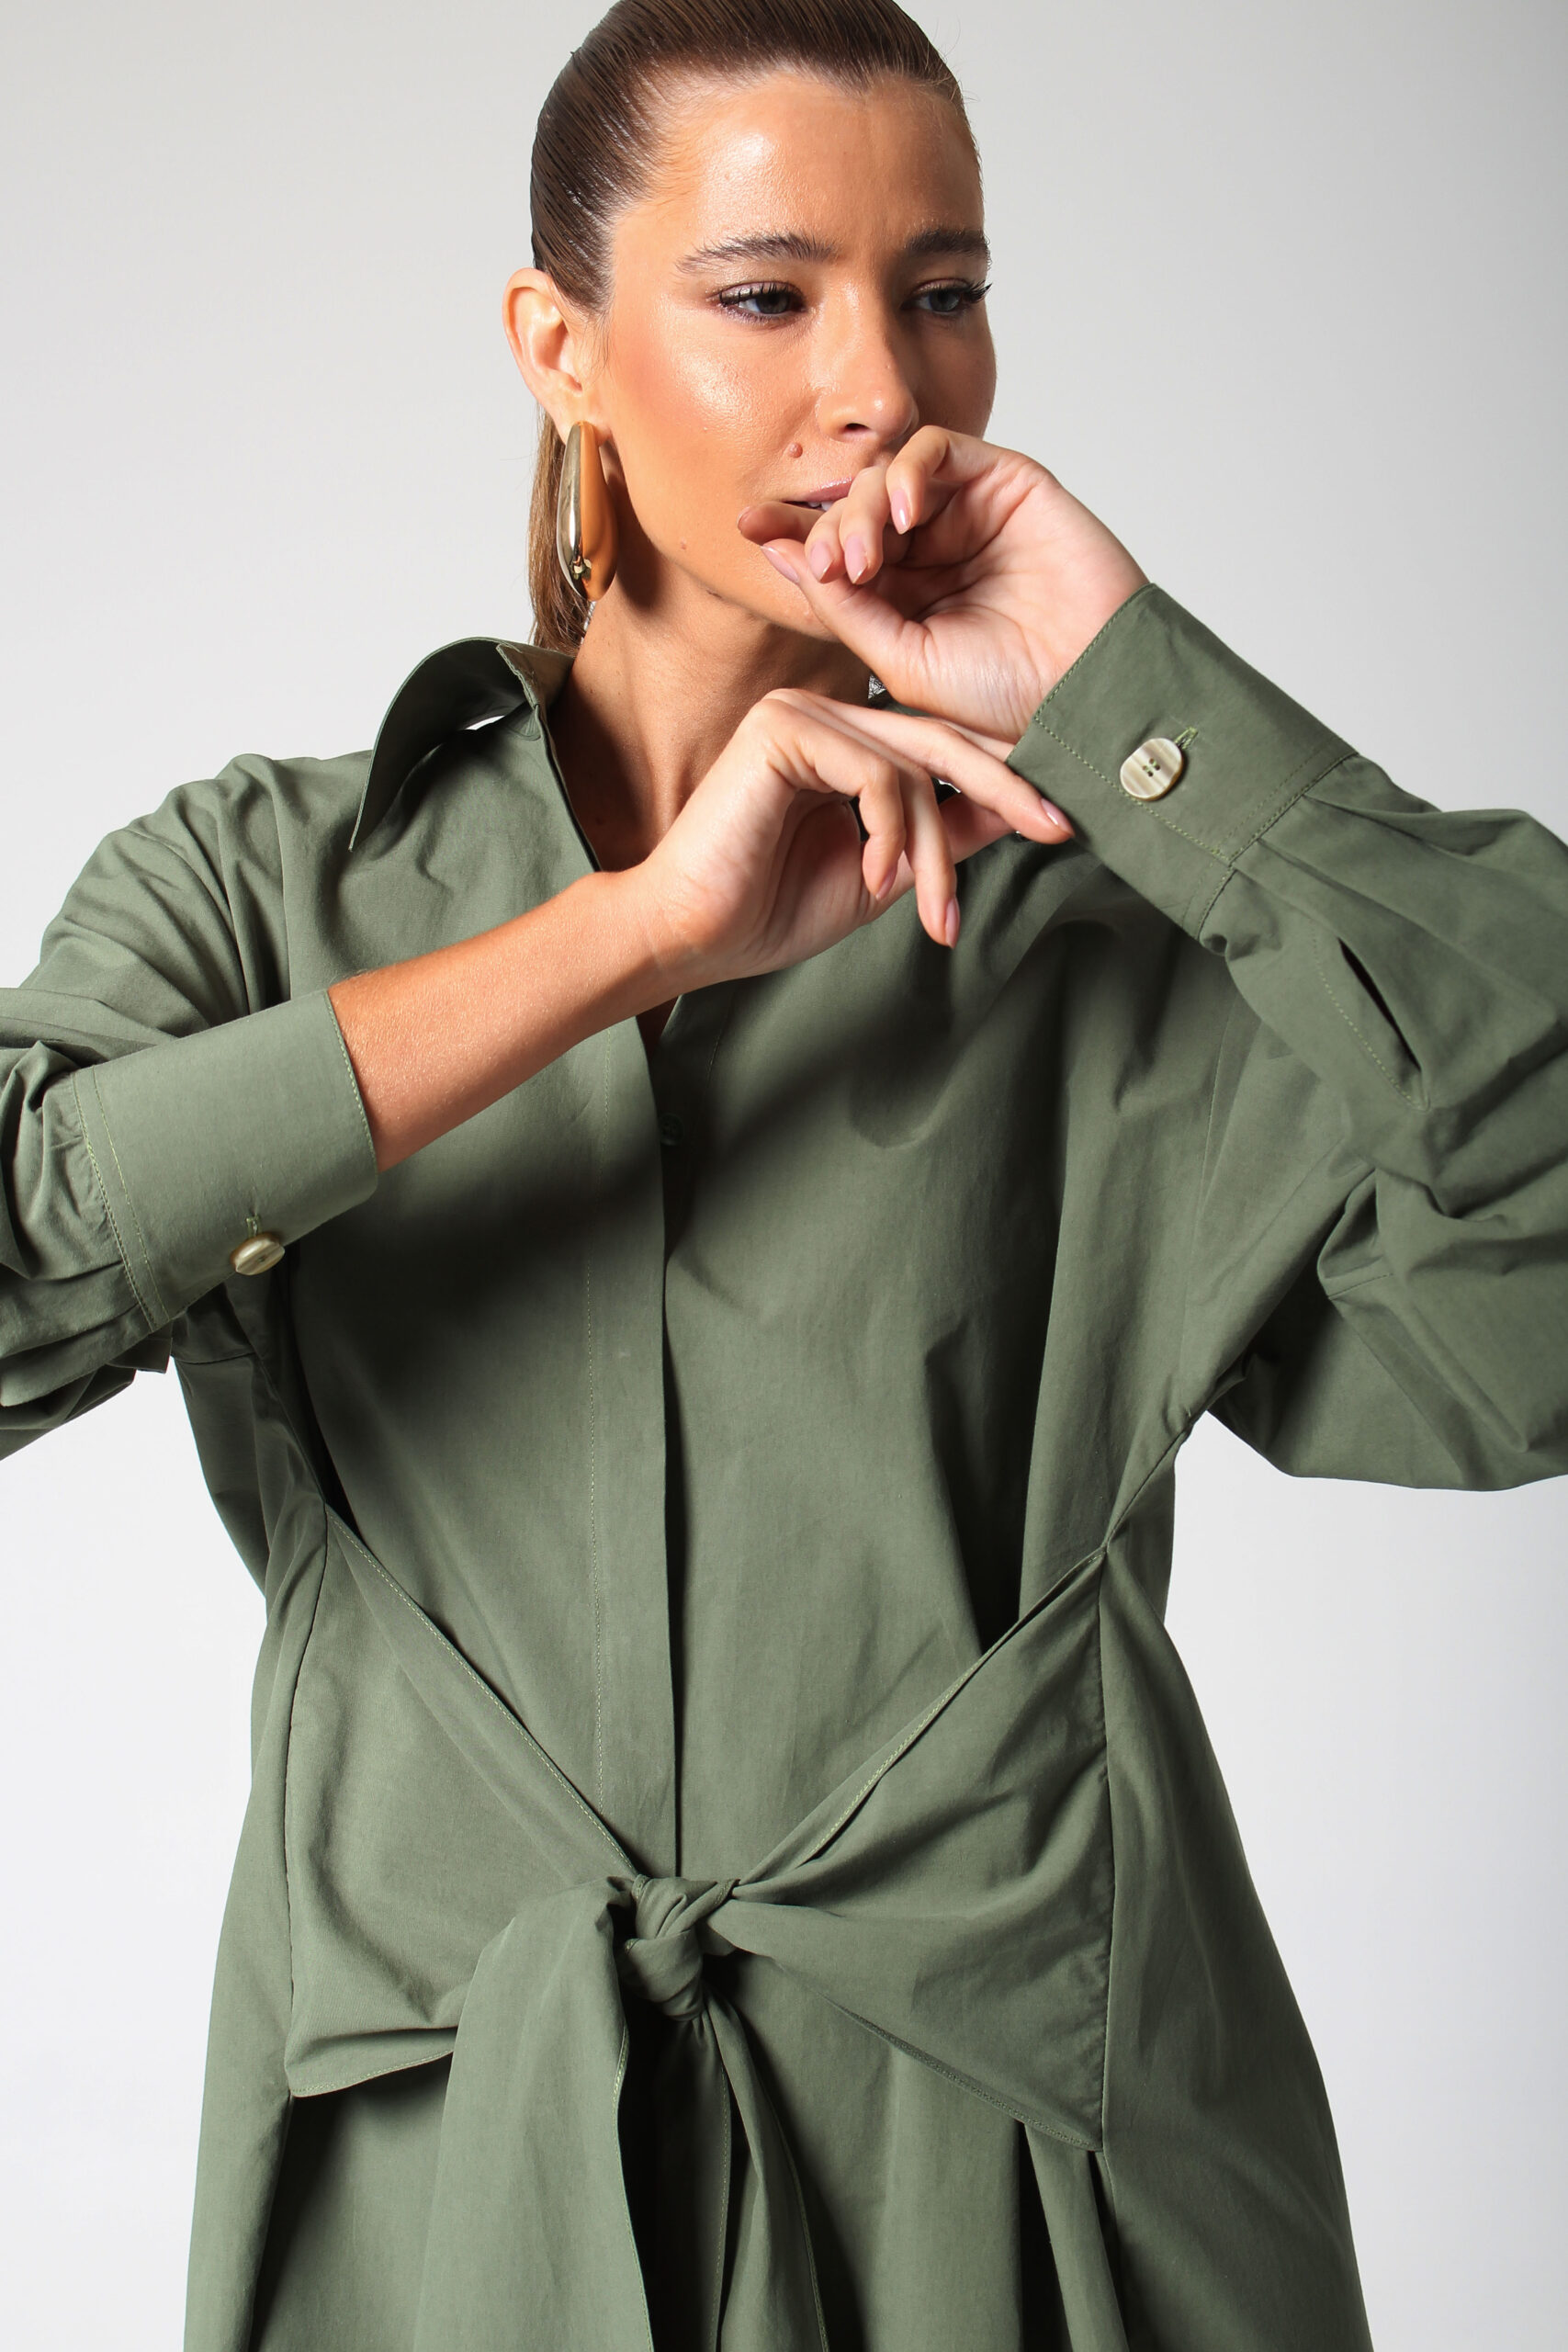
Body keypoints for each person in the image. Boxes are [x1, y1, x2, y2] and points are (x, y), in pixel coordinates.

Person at [2, 0, 1564, 2345]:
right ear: (559, 348)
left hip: (1036, 2201)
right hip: (439, 2202)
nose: (880, 386)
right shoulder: (253, 890)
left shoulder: (1110, 922)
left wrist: (1137, 695)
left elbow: (1534, 1286)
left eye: (943, 292)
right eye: (765, 293)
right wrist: (630, 938)